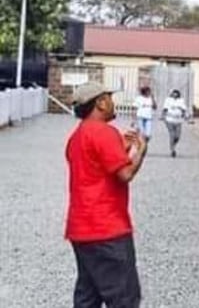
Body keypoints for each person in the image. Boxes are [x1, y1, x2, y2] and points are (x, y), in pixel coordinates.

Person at [66, 82, 147, 308]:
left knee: (88, 296)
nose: (113, 103)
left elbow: (96, 169)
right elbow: (125, 173)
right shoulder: (104, 132)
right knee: (124, 297)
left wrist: (121, 149)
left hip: (80, 229)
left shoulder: (77, 136)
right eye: (109, 97)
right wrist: (141, 151)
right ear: (100, 103)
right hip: (107, 229)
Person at [163, 89, 189, 158]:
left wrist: (185, 116)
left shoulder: (181, 101)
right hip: (169, 120)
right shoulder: (168, 100)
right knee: (172, 134)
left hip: (178, 120)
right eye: (173, 94)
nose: (175, 95)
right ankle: (172, 150)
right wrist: (163, 116)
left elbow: (184, 110)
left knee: (177, 136)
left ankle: (173, 145)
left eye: (176, 94)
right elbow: (165, 109)